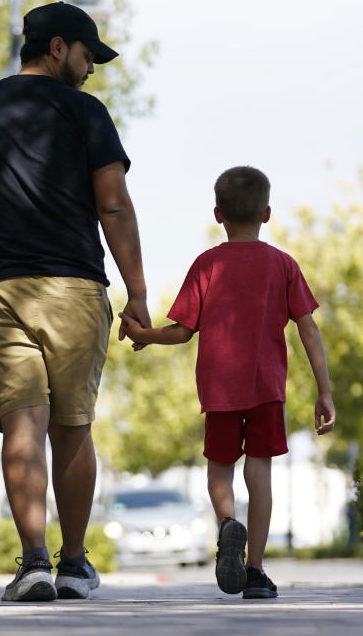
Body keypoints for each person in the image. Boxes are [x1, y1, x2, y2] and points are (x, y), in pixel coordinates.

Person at [0, 2, 151, 602]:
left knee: (20, 425)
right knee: (73, 427)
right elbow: (114, 206)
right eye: (86, 57)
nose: (90, 70)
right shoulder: (86, 113)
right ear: (57, 48)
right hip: (74, 289)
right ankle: (74, 565)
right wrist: (137, 291)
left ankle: (32, 562)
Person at [118, 166, 336, 599]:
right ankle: (255, 569)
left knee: (220, 468)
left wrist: (143, 335)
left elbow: (181, 330)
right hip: (267, 388)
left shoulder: (207, 265)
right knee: (260, 471)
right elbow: (309, 329)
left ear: (218, 214)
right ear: (267, 213)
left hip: (219, 389)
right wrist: (324, 390)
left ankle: (227, 524)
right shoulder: (283, 265)